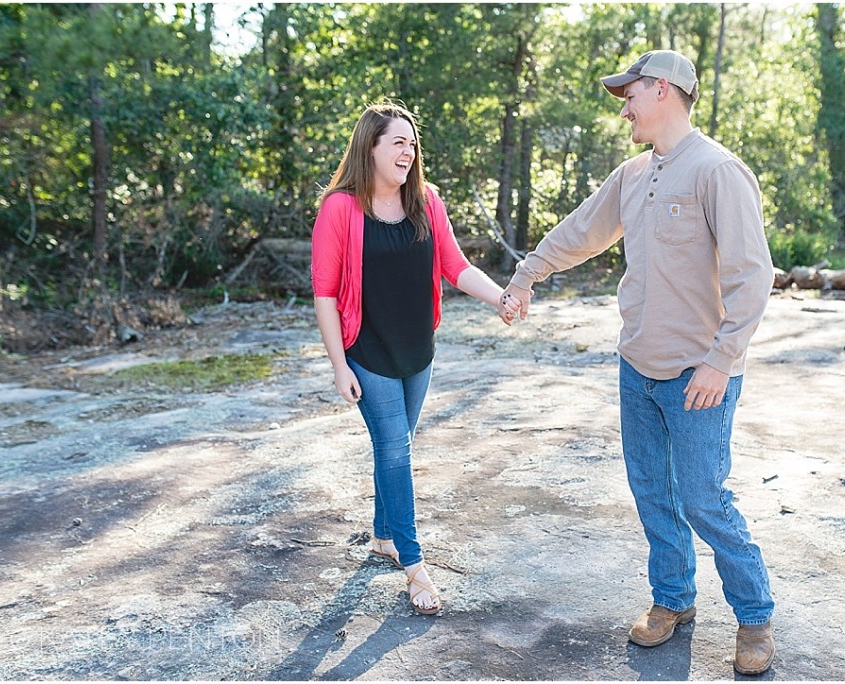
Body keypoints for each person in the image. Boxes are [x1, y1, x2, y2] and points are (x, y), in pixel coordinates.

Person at [501, 51, 776, 674]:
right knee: (653, 492)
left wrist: (721, 359)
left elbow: (751, 277)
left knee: (705, 498)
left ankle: (754, 615)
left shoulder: (719, 171)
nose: (623, 108)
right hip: (637, 368)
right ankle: (672, 601)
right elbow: (581, 231)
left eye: (630, 96)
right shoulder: (632, 174)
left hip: (698, 375)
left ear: (663, 90)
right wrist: (526, 275)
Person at [311, 102, 520, 615]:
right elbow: (324, 292)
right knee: (396, 449)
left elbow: (455, 264)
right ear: (371, 148)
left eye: (411, 143)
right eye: (396, 142)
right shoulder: (341, 208)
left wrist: (499, 298)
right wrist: (339, 365)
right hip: (368, 349)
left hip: (417, 349)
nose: (407, 152)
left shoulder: (427, 200)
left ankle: (384, 535)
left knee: (395, 446)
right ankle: (414, 565)